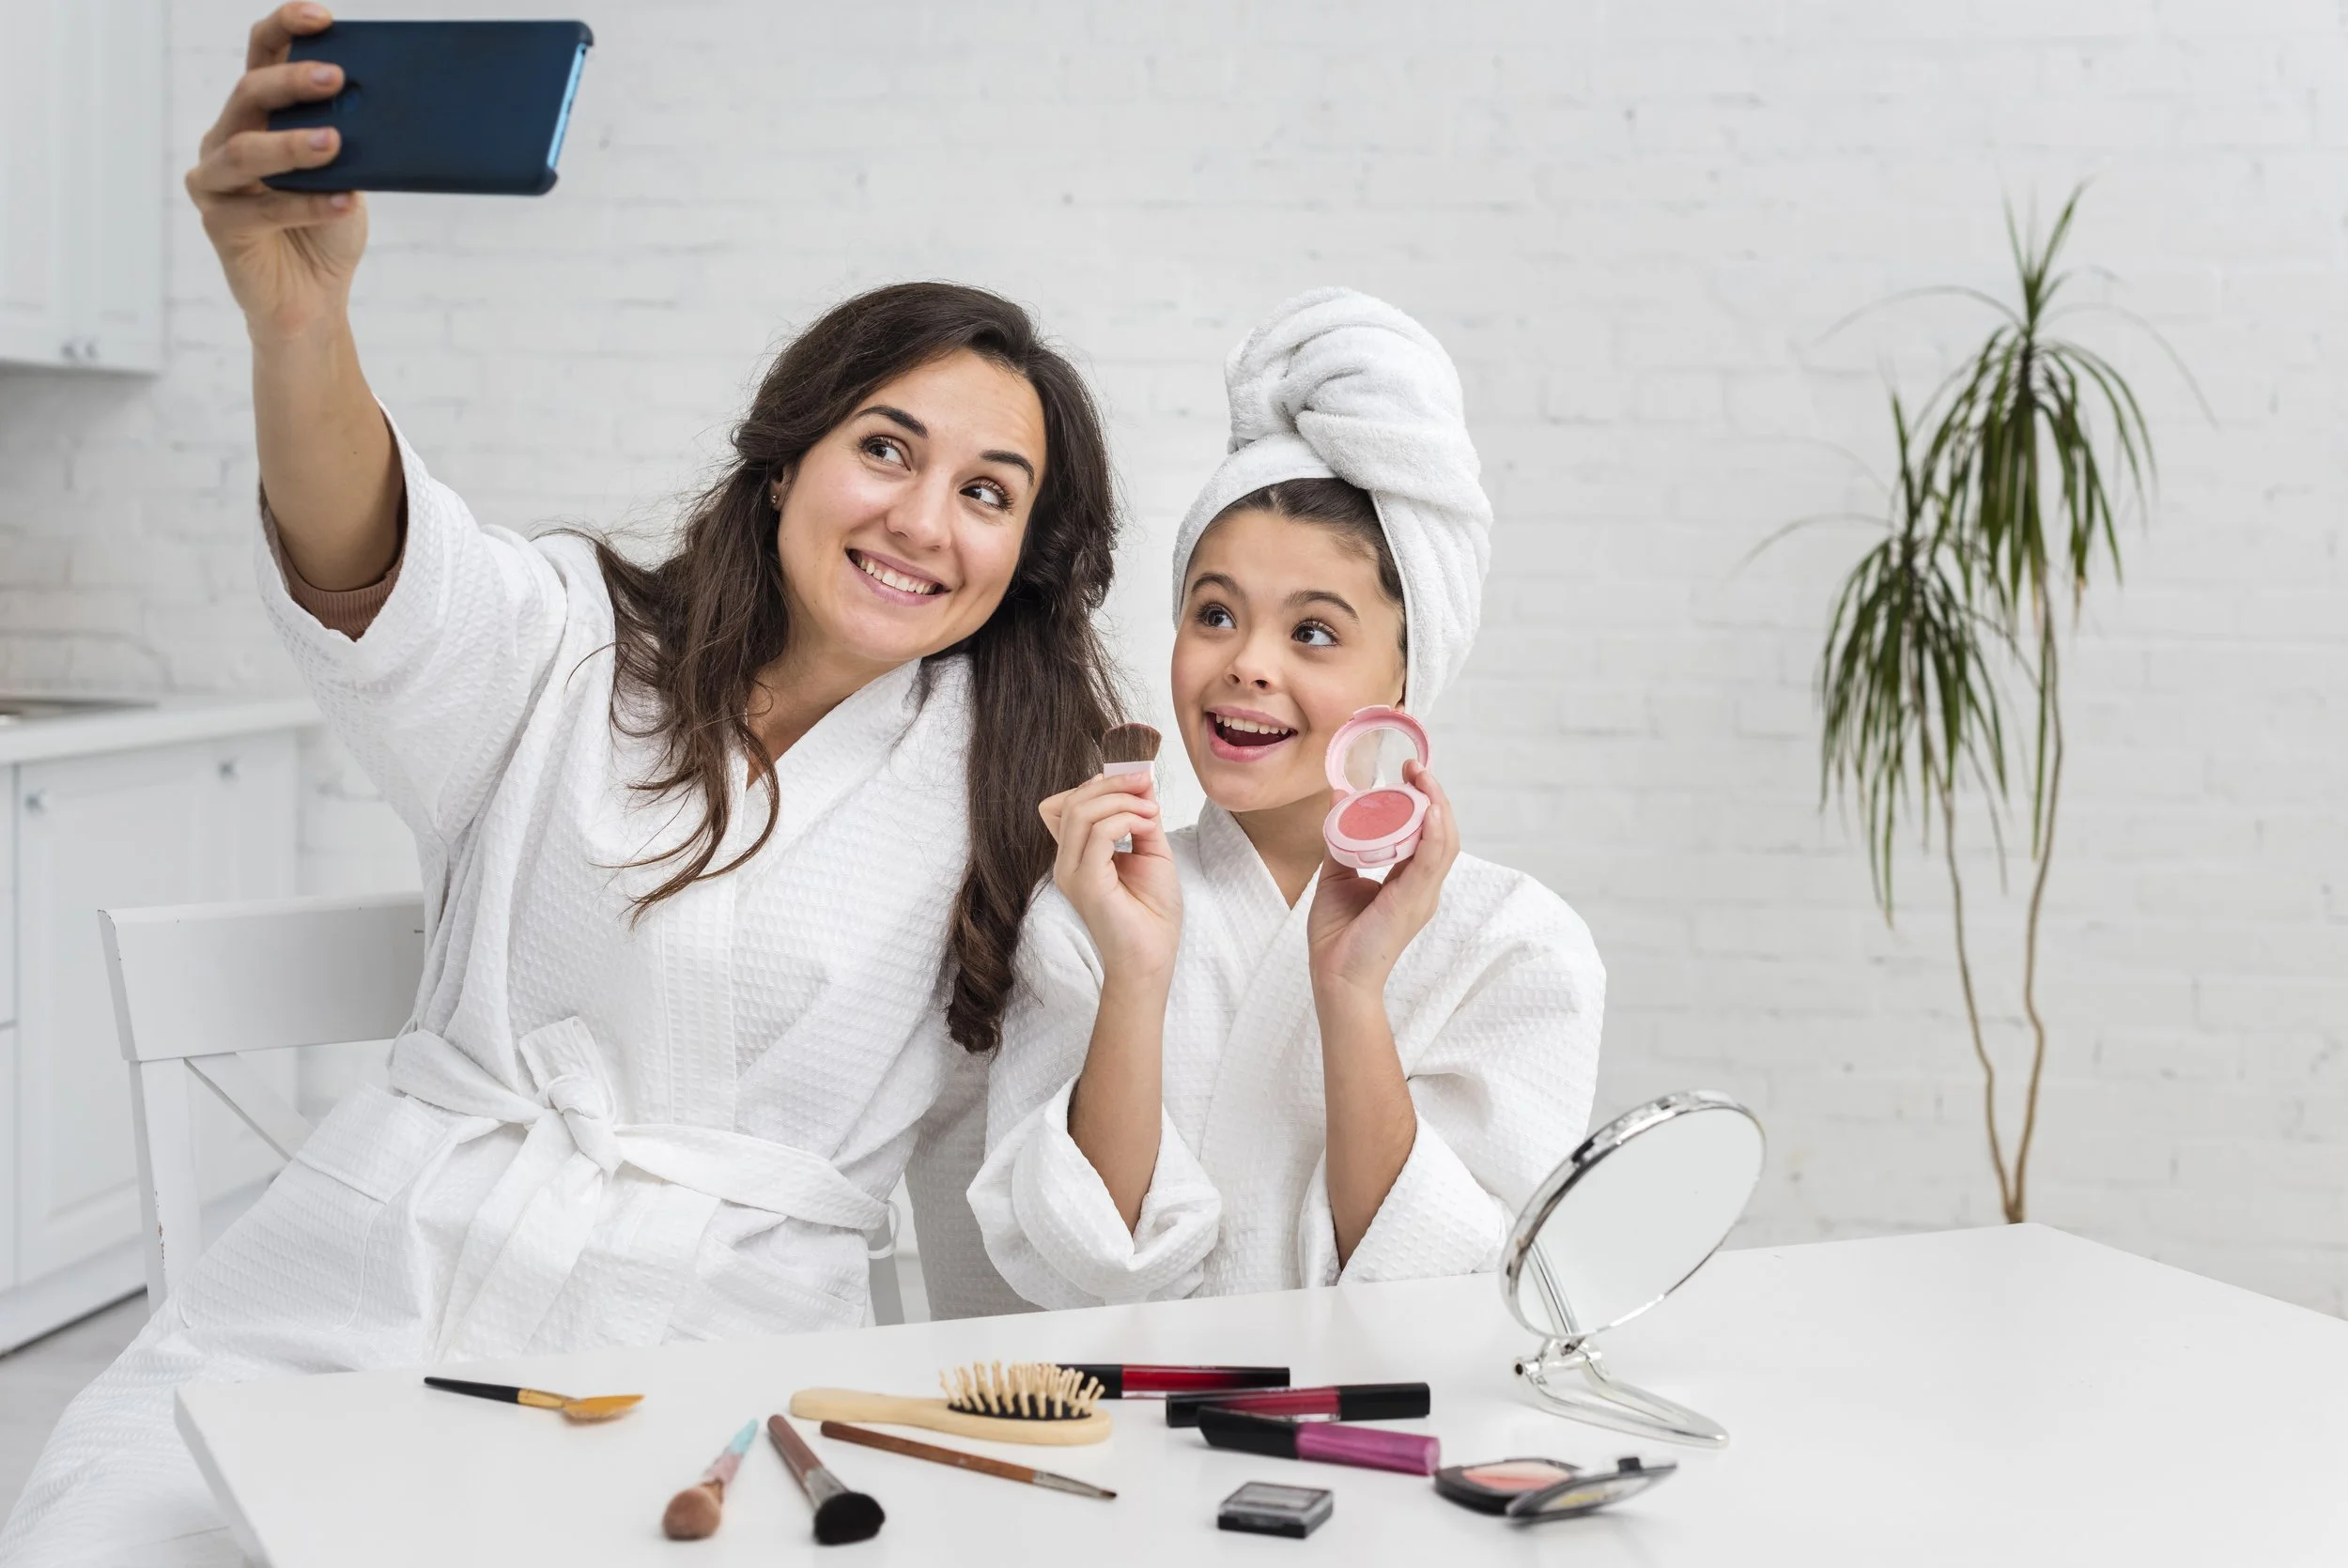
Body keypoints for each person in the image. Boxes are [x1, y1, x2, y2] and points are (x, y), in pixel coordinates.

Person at [0, 7, 1118, 1563]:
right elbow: (371, 567)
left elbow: (1054, 1203)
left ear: (1021, 561)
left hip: (708, 1381)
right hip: (356, 1298)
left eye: (989, 493)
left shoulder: (1020, 805)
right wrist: (296, 315)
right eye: (886, 447)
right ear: (787, 458)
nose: (926, 519)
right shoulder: (572, 646)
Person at [969, 288, 1604, 1306]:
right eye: (1213, 612)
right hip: (1126, 1429)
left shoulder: (1516, 943)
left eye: (1312, 632)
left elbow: (1450, 1290)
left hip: (1392, 1433)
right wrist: (1135, 973)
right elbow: (1077, 1264)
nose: (1246, 665)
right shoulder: (1097, 908)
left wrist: (1350, 992)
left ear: (1401, 676)